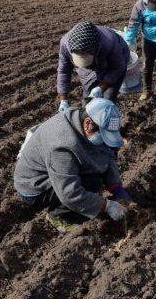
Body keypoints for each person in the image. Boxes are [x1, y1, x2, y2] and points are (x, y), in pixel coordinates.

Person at [14, 98, 130, 233]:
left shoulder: (81, 119)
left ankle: (81, 204)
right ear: (88, 124)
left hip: (56, 171)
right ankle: (59, 216)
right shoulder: (62, 145)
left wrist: (115, 186)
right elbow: (69, 192)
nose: (105, 141)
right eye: (103, 136)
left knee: (93, 174)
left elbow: (108, 153)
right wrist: (106, 205)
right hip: (34, 186)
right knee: (91, 181)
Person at [57, 21, 130, 110]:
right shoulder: (65, 44)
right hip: (92, 65)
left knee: (107, 99)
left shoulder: (109, 41)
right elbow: (64, 71)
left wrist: (101, 87)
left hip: (113, 63)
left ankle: (106, 119)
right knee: (87, 101)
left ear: (94, 50)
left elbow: (117, 67)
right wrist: (63, 100)